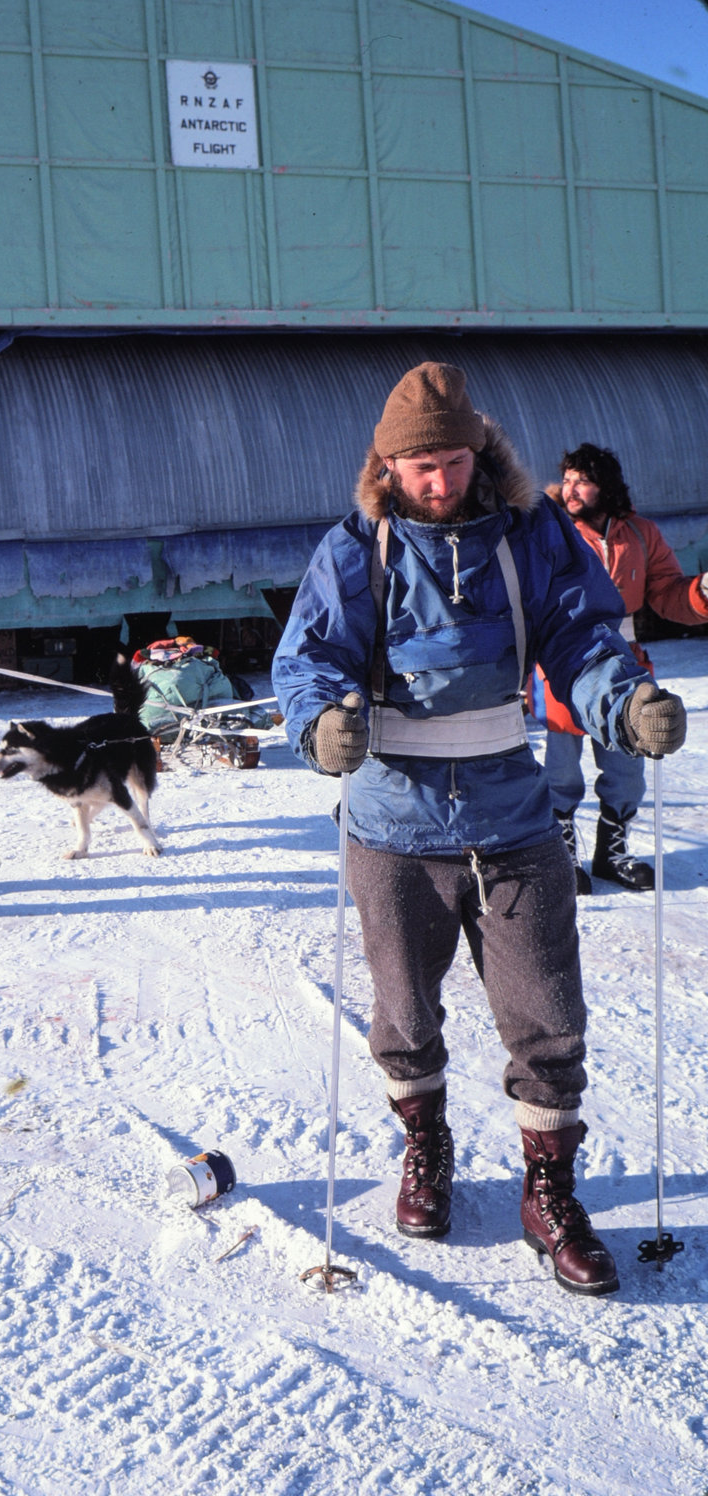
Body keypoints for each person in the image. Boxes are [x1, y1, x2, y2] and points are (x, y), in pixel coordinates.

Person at [272, 363, 686, 1297]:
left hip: (513, 814)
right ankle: (426, 1145)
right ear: (387, 465)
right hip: (391, 820)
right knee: (404, 1014)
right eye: (420, 467)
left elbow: (584, 638)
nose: (439, 482)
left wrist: (626, 704)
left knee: (547, 1013)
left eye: (454, 462)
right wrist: (320, 723)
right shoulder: (357, 549)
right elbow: (308, 656)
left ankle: (549, 1191)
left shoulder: (533, 535)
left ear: (480, 452)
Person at [529, 444, 708, 893]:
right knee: (561, 773)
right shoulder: (550, 531)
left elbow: (667, 594)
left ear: (605, 487)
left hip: (626, 663)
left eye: (582, 481)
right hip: (562, 664)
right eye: (566, 480)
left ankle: (612, 853)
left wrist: (703, 591)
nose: (570, 490)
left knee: (627, 767)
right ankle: (561, 856)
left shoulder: (641, 534)